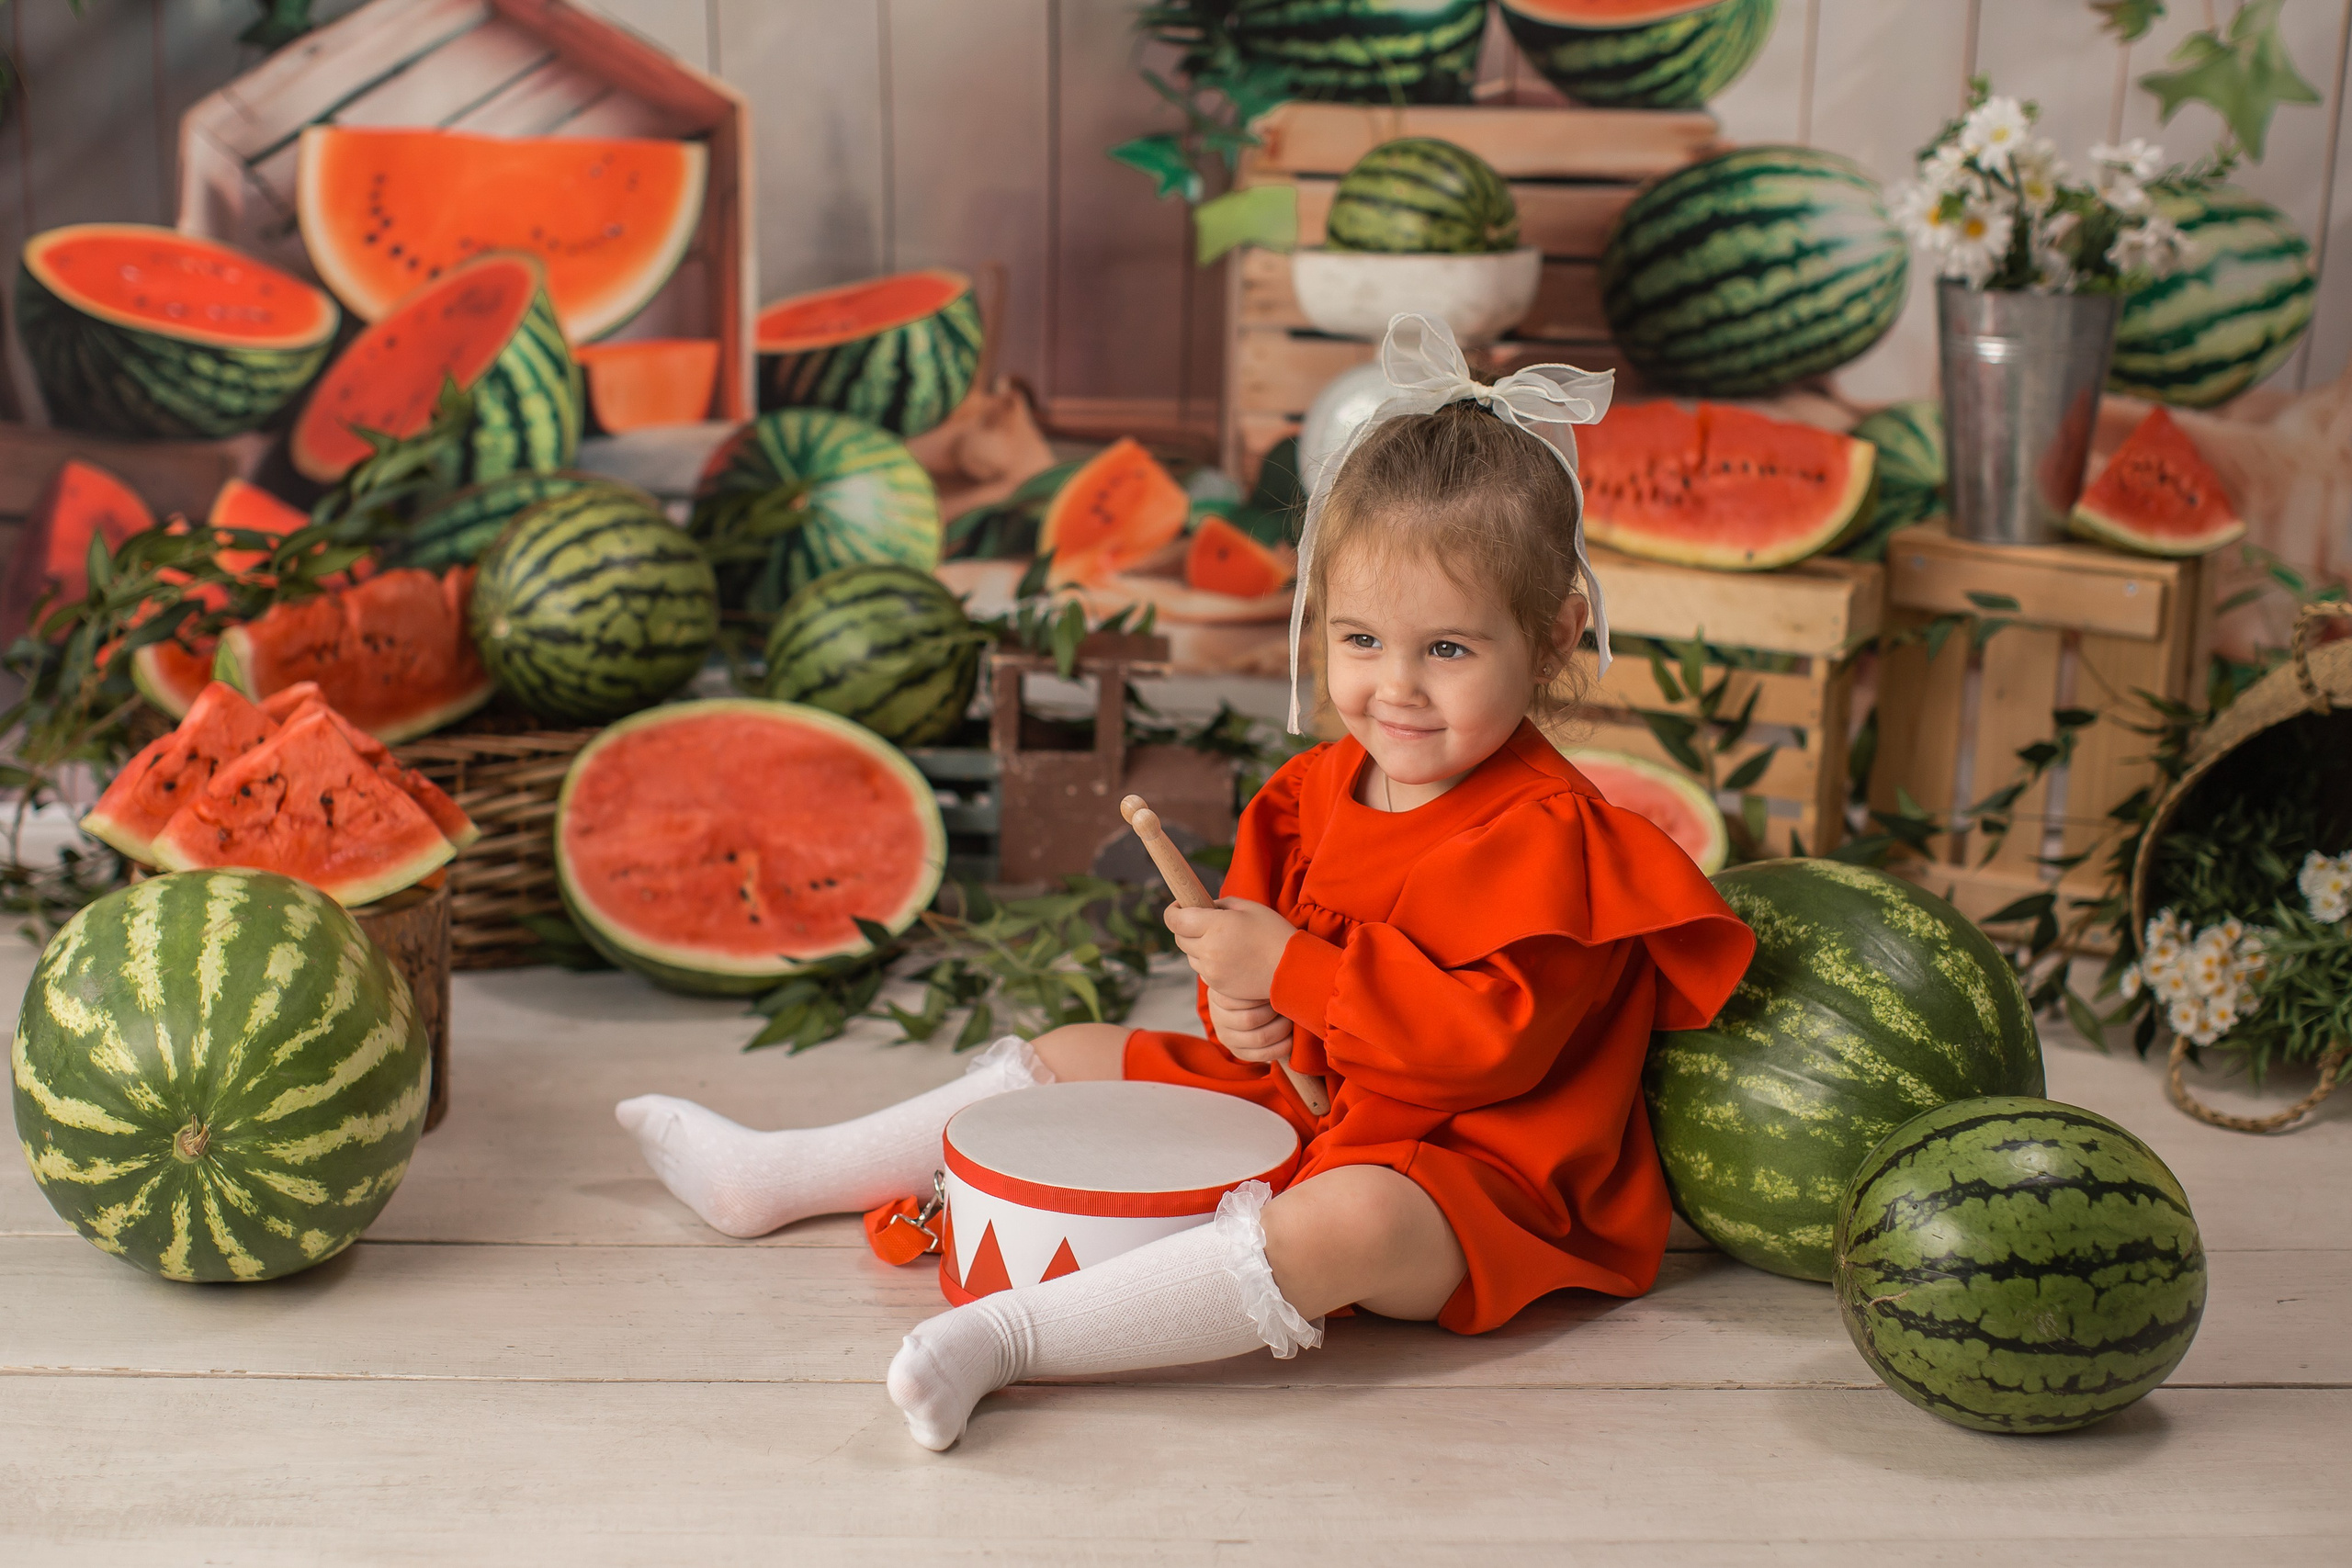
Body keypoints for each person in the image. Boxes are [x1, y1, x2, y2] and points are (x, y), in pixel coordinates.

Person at [615, 315, 1757, 1451]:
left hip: (1474, 1171)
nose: (1395, 689)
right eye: (1359, 640)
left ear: (1553, 639)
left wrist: (1292, 972)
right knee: (1069, 1050)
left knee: (1343, 1220)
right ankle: (777, 1174)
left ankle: (1013, 1341)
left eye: (1448, 650)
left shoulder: (1555, 839)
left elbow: (1485, 1048)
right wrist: (1242, 1003)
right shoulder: (1314, 789)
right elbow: (1242, 990)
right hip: (1309, 1103)